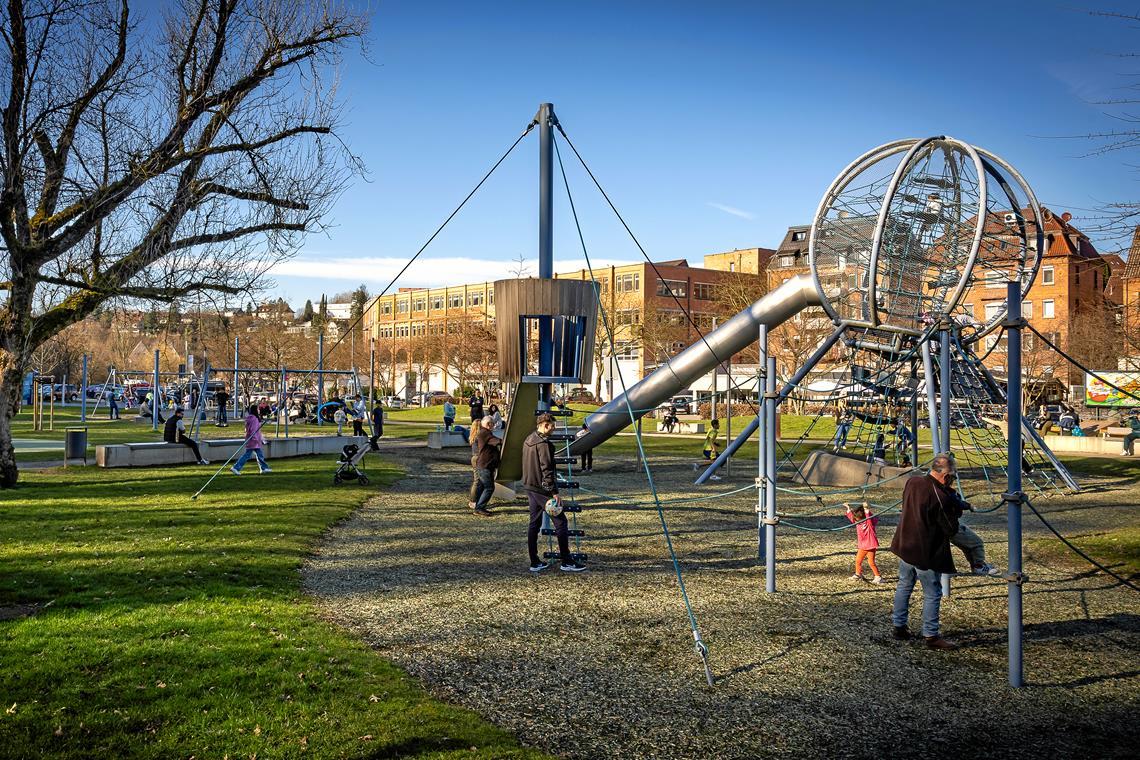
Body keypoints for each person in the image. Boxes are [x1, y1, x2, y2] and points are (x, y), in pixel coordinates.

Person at [889, 453, 960, 649]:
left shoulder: (913, 482)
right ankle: (931, 634)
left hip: (906, 545)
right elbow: (950, 528)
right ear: (945, 476)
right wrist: (955, 505)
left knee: (904, 584)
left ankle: (899, 625)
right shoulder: (941, 496)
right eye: (952, 476)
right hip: (925, 551)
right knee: (933, 592)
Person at [523, 413, 585, 572]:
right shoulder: (544, 444)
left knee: (533, 524)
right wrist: (554, 492)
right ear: (545, 425)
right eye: (552, 426)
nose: (554, 429)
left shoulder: (528, 440)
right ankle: (566, 560)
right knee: (561, 523)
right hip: (543, 490)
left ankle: (534, 561)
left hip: (530, 486)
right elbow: (547, 469)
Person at [471, 416, 502, 516]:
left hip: (484, 464)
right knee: (489, 487)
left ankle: (477, 506)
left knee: (481, 486)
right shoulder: (485, 433)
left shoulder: (484, 433)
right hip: (485, 465)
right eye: (493, 423)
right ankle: (480, 508)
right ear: (488, 424)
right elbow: (497, 441)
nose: (494, 425)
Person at [845, 503, 882, 583]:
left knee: (871, 562)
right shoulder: (858, 523)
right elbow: (852, 518)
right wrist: (848, 508)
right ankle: (858, 574)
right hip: (862, 546)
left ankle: (878, 576)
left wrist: (866, 508)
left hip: (870, 546)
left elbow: (869, 517)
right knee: (858, 560)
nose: (856, 520)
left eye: (858, 519)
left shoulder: (869, 524)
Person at [232, 404, 271, 474]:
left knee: (259, 455)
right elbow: (253, 431)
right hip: (254, 441)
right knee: (247, 455)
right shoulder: (254, 419)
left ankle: (264, 468)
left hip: (252, 440)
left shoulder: (250, 418)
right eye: (258, 409)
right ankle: (236, 467)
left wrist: (262, 439)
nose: (259, 410)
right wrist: (256, 439)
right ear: (255, 410)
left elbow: (251, 430)